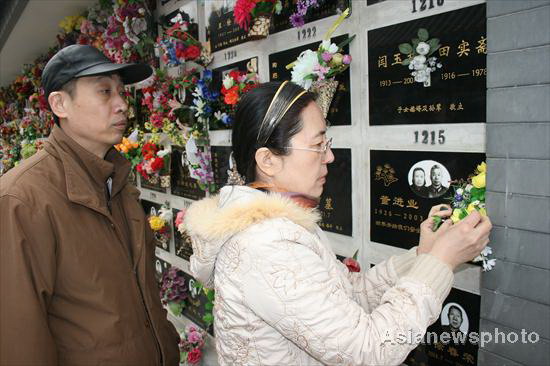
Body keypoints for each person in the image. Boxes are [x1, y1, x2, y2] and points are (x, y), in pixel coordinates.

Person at [183, 81, 492, 365]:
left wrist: (422, 258)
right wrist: (440, 263)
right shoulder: (266, 246)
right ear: (268, 161)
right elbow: (369, 350)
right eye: (318, 145)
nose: (329, 156)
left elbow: (347, 297)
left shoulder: (280, 223)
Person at [0, 45, 179, 364]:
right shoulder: (23, 198)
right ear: (60, 103)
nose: (122, 105)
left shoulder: (117, 181)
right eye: (104, 92)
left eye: (122, 93)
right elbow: (19, 336)